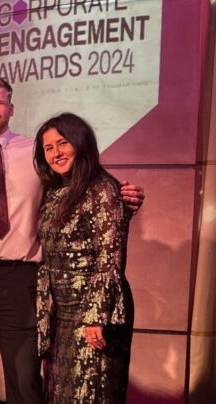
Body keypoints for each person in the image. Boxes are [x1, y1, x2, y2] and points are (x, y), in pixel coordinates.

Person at [0, 76, 144, 404]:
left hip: (20, 277)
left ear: (11, 108)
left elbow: (82, 187)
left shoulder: (38, 154)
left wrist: (122, 196)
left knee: (25, 378)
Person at [33, 113, 133, 403]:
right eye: (48, 148)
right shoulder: (55, 191)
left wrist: (96, 315)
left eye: (63, 143)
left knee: (91, 392)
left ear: (81, 143)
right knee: (62, 393)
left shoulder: (102, 188)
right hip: (61, 310)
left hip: (93, 310)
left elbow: (109, 256)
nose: (56, 153)